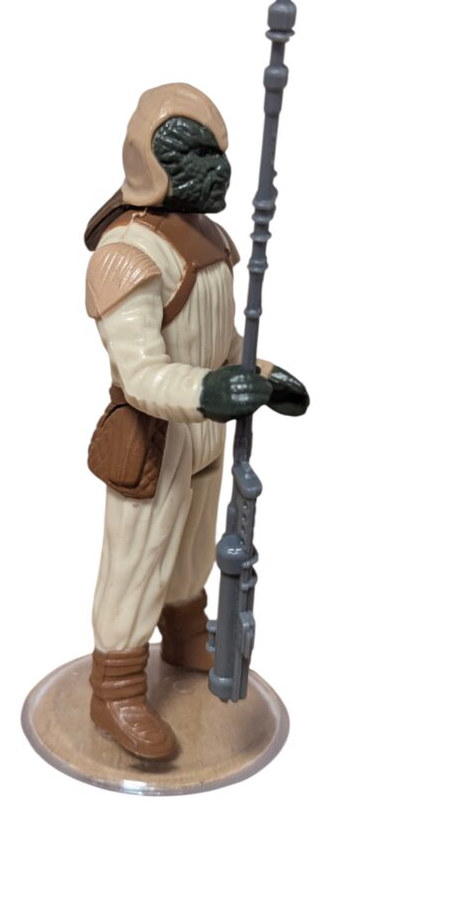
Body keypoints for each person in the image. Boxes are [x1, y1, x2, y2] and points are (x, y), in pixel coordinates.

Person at [84, 83, 308, 760]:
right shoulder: (127, 253)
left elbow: (221, 341)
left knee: (191, 552)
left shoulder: (211, 239)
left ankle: (184, 634)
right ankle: (115, 687)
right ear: (153, 166)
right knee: (138, 562)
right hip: (154, 438)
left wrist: (260, 374)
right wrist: (212, 389)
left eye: (219, 154)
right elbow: (143, 373)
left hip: (206, 430)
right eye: (197, 158)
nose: (219, 171)